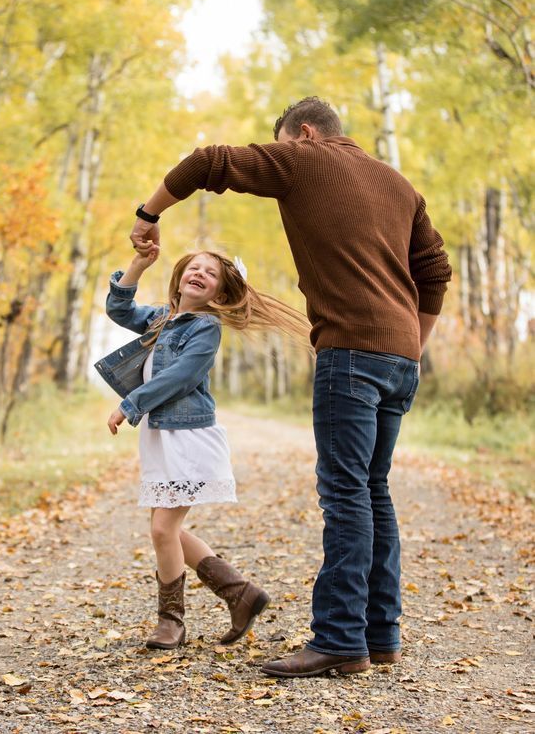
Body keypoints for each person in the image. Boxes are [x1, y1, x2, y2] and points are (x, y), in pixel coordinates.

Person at [129, 96, 452, 677]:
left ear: (303, 134)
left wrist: (147, 215)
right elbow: (435, 274)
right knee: (373, 491)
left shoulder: (306, 160)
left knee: (347, 495)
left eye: (282, 141)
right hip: (400, 357)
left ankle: (339, 639)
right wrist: (412, 345)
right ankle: (381, 637)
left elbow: (209, 161)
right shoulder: (401, 187)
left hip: (350, 354)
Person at [96, 246, 310, 651]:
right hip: (163, 435)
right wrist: (140, 264)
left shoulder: (205, 327)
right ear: (179, 277)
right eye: (193, 267)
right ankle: (239, 592)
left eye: (209, 273)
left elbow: (182, 374)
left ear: (219, 294)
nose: (198, 273)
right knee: (167, 528)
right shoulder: (163, 317)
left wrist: (130, 404)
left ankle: (171, 623)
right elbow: (119, 310)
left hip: (188, 437)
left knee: (163, 528)